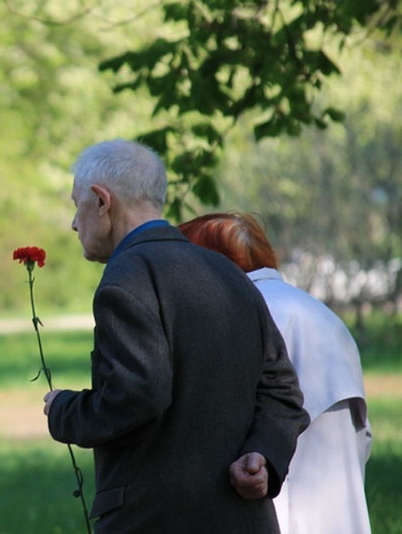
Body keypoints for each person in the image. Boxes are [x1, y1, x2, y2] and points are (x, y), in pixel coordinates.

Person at [42, 139, 310, 533]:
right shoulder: (228, 274)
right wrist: (263, 455)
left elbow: (136, 394)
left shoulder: (127, 278)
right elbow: (282, 389)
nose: (73, 223)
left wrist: (64, 411)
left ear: (102, 201)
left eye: (75, 204)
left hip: (155, 518)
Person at [178, 212, 372, 534]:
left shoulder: (236, 315)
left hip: (268, 512)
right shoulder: (322, 314)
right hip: (340, 512)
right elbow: (362, 436)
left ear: (211, 263)